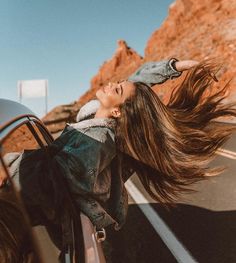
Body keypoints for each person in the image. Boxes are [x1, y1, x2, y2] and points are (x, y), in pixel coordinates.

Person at [0, 58, 235, 249]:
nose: (113, 83)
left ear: (117, 111)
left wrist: (7, 174)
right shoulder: (100, 122)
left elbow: (49, 184)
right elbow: (136, 83)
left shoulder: (97, 142)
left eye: (118, 88)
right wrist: (173, 67)